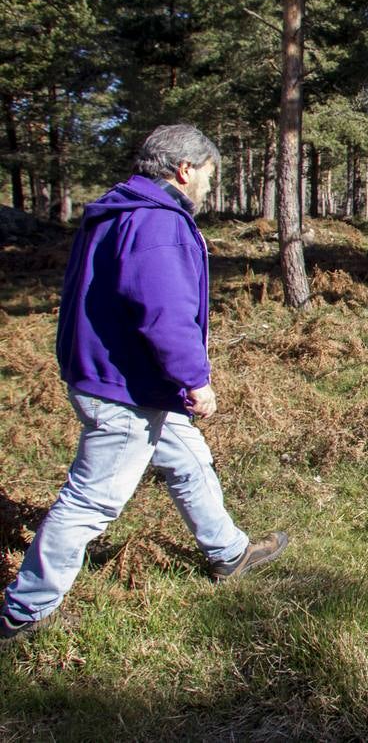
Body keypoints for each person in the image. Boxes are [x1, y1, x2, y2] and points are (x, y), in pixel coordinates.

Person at [1, 125, 288, 646]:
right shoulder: (158, 224)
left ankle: (229, 552)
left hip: (124, 377)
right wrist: (195, 380)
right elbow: (165, 313)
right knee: (91, 499)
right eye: (208, 174)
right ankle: (26, 608)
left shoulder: (121, 210)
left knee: (187, 458)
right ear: (185, 170)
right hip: (125, 387)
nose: (209, 186)